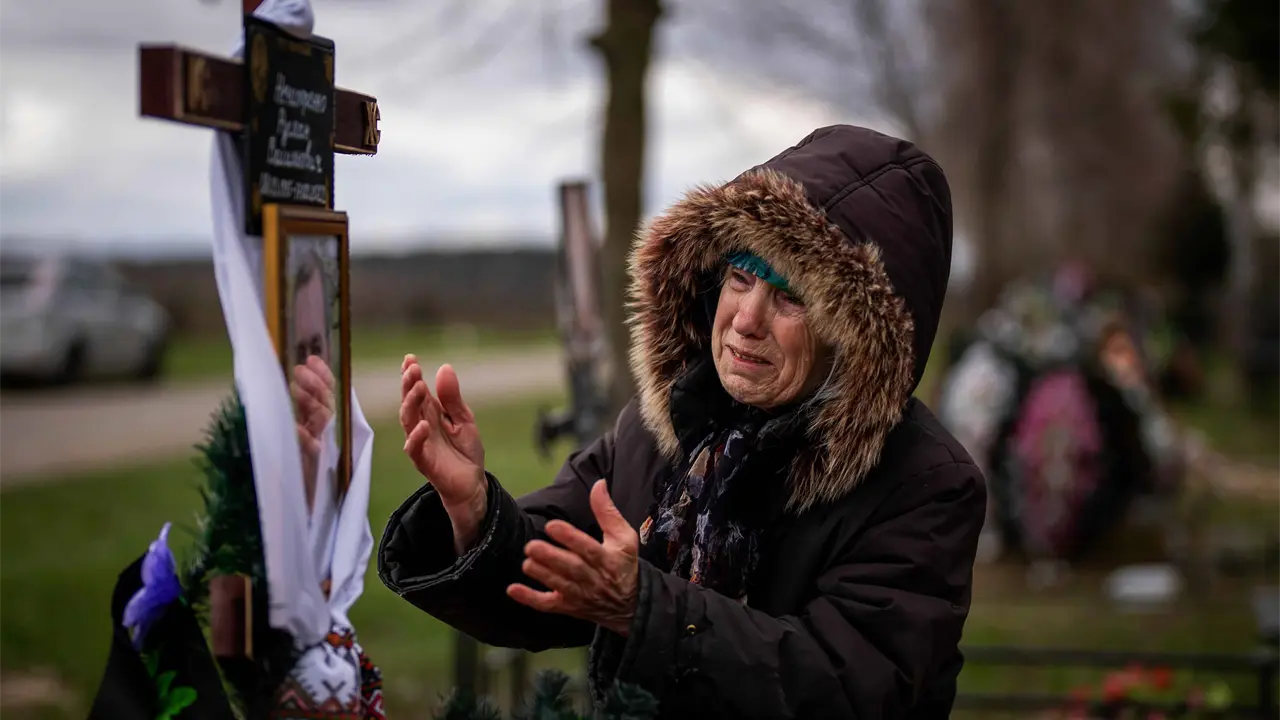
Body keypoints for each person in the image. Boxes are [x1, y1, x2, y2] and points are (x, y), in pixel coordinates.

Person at [378, 125, 987, 718]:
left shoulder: (926, 484)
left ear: (853, 337)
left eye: (789, 297)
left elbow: (848, 686)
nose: (746, 320)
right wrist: (472, 510)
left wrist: (644, 608)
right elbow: (553, 570)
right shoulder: (667, 425)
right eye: (740, 279)